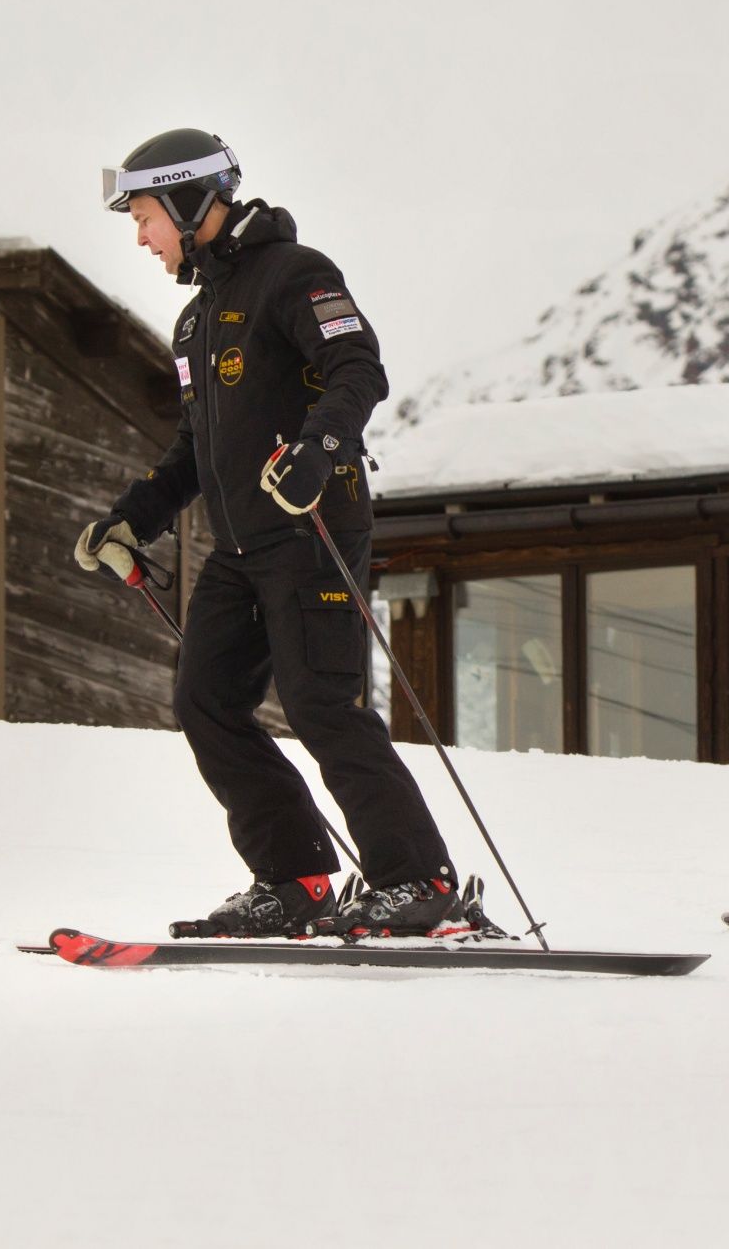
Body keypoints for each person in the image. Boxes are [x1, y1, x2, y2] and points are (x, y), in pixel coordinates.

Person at [74, 127, 463, 938]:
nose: (141, 238)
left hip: (311, 525)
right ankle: (295, 881)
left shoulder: (296, 274)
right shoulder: (196, 322)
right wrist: (130, 517)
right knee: (206, 702)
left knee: (321, 705)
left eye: (144, 216)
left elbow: (360, 367)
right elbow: (195, 449)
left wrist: (319, 450)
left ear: (188, 202)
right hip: (240, 545)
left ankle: (417, 881)